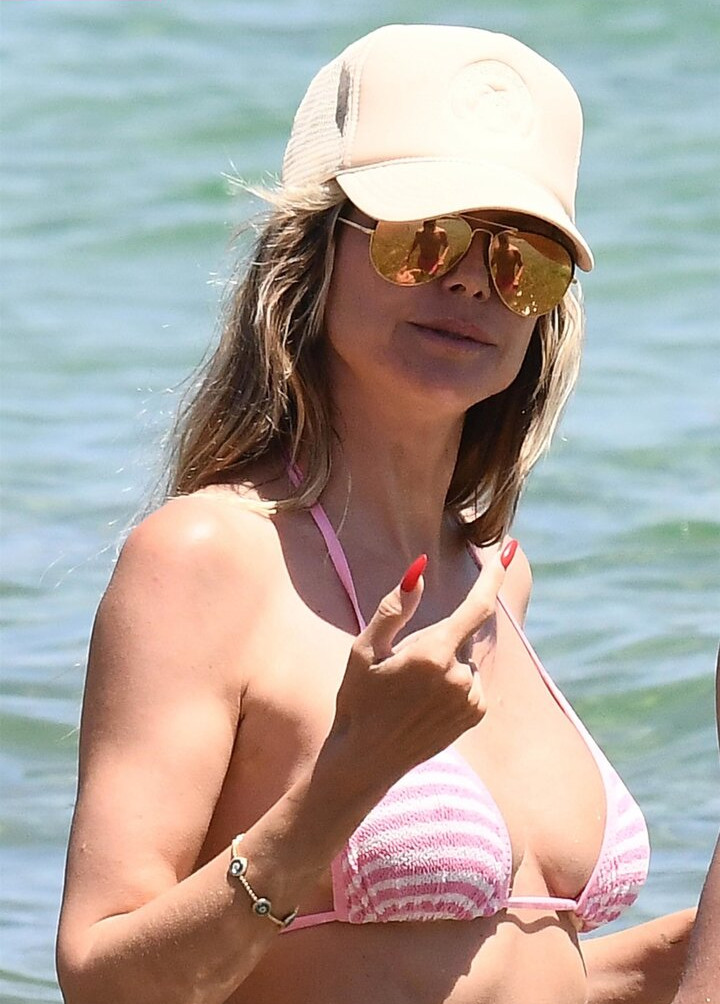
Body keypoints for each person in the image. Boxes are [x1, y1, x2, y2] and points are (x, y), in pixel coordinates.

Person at [56, 24, 697, 1004]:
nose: (473, 280)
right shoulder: (207, 557)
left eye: (524, 260)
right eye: (423, 237)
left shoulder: (497, 578)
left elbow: (497, 964)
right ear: (313, 255)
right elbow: (104, 982)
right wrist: (343, 784)